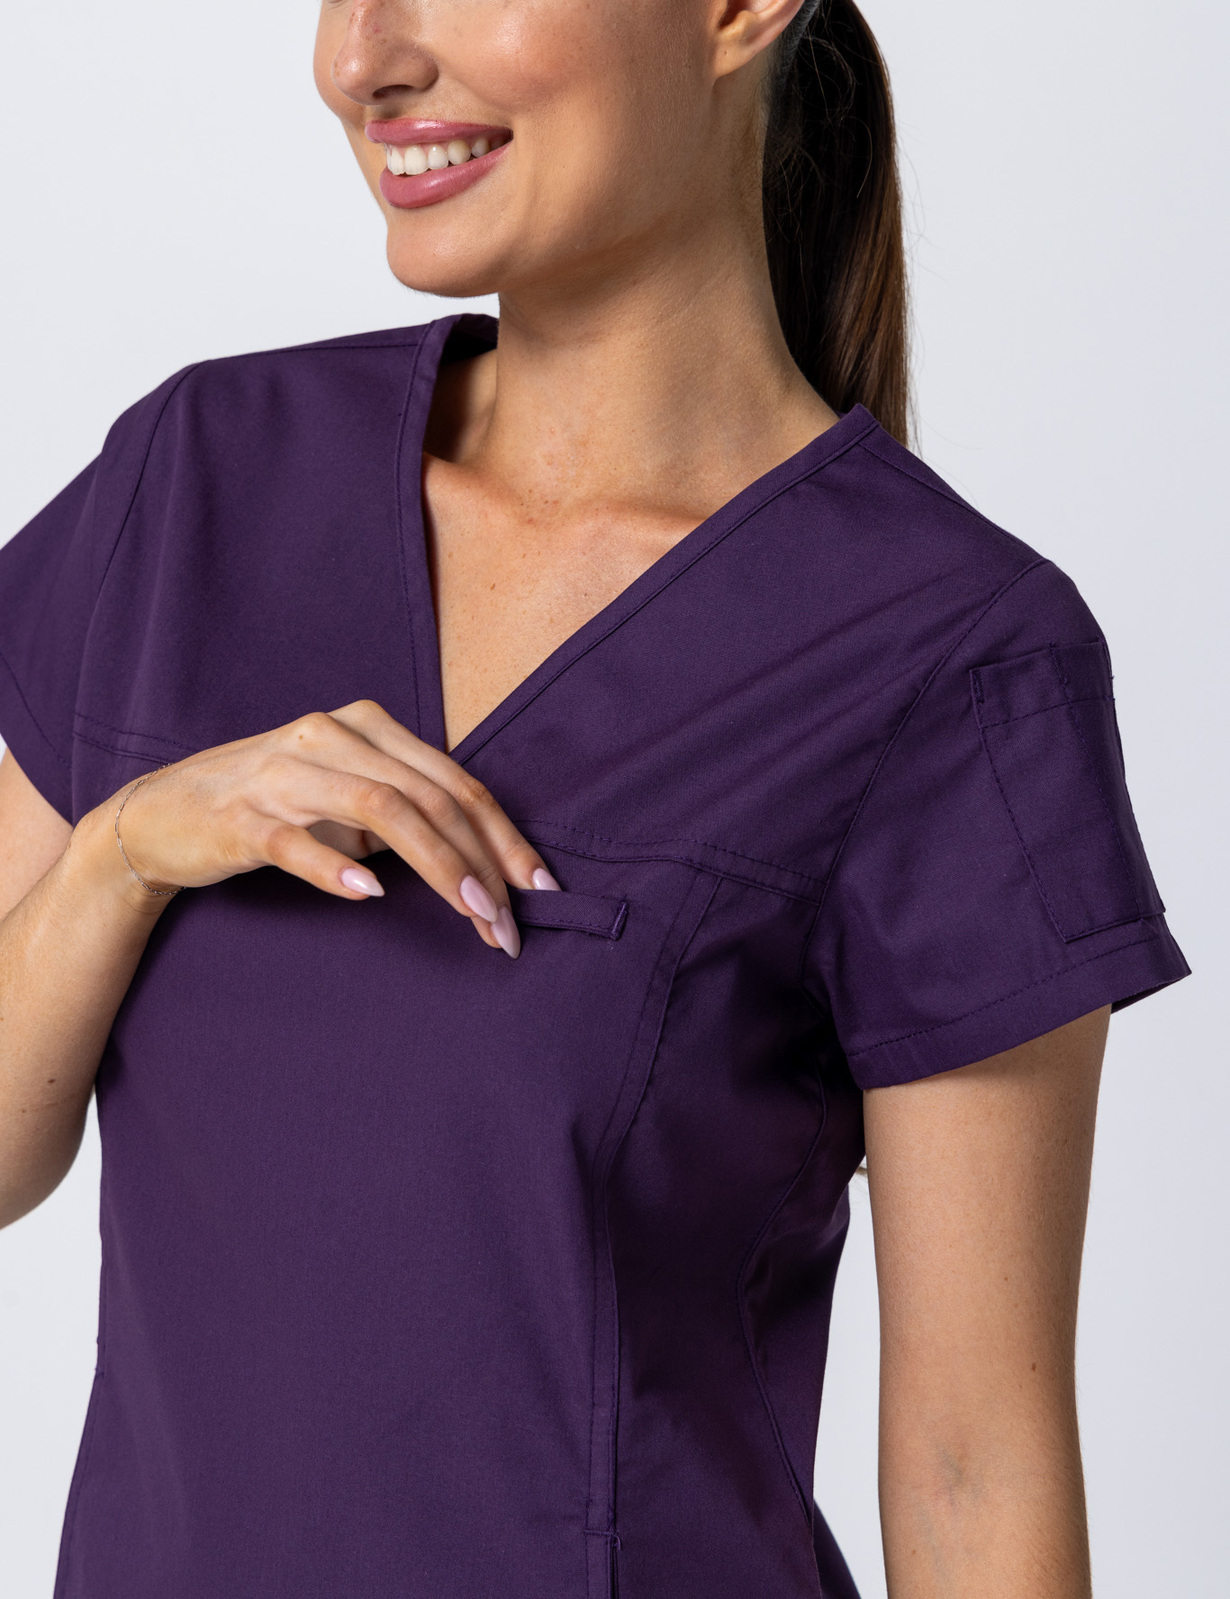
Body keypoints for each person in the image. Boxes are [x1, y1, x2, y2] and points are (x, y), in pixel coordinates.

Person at [0, 1, 1189, 1595]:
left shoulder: (947, 653)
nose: (360, 60)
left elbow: (974, 1468)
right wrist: (121, 854)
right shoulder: (199, 480)